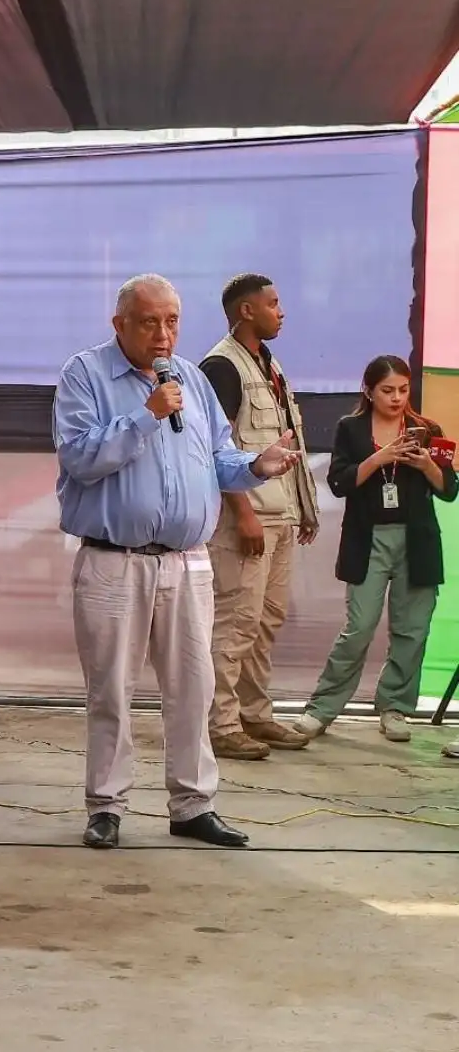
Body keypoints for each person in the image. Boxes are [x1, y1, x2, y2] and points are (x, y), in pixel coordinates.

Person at [54, 274, 303, 851]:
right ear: (120, 325)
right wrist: (145, 414)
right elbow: (80, 458)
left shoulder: (190, 377)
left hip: (188, 563)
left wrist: (255, 466)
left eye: (172, 322)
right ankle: (107, 806)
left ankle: (193, 804)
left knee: (193, 686)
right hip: (114, 562)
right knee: (111, 690)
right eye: (149, 322)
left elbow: (217, 457)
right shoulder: (85, 375)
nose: (163, 334)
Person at [294, 355, 458, 746]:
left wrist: (426, 467)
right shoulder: (350, 428)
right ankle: (322, 708)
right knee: (359, 627)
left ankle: (396, 707)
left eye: (403, 389)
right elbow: (339, 483)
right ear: (369, 390)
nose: (397, 397)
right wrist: (378, 458)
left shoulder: (425, 429)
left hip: (417, 541)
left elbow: (449, 490)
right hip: (368, 539)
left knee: (412, 629)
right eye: (388, 390)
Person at [198, 274, 321, 758]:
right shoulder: (222, 366)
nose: (281, 311)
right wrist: (244, 513)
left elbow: (285, 443)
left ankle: (255, 714)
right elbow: (216, 448)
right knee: (235, 622)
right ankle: (221, 724)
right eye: (273, 303)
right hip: (247, 520)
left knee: (266, 621)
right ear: (246, 311)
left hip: (279, 518)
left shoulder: (268, 364)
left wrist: (302, 509)